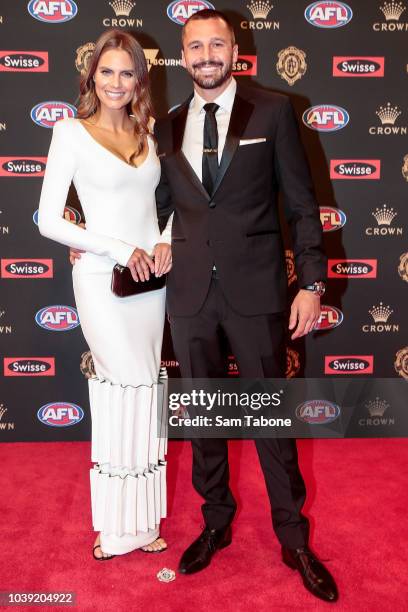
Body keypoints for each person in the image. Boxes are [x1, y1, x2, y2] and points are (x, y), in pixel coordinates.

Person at [153, 9, 338, 603]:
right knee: (206, 418)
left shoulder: (275, 110)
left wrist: (311, 283)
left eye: (216, 43)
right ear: (183, 56)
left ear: (236, 49)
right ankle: (215, 523)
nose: (206, 54)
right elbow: (154, 208)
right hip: (189, 295)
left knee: (268, 422)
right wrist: (100, 249)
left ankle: (294, 537)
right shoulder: (168, 123)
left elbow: (304, 206)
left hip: (258, 292)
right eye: (194, 46)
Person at [38, 29, 172, 560]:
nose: (116, 82)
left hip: (150, 286)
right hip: (102, 279)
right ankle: (115, 527)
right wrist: (116, 248)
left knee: (146, 394)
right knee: (123, 390)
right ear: (92, 75)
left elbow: (171, 207)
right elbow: (50, 221)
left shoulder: (150, 133)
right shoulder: (70, 132)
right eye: (107, 71)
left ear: (140, 78)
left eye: (127, 72)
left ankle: (142, 521)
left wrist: (164, 243)